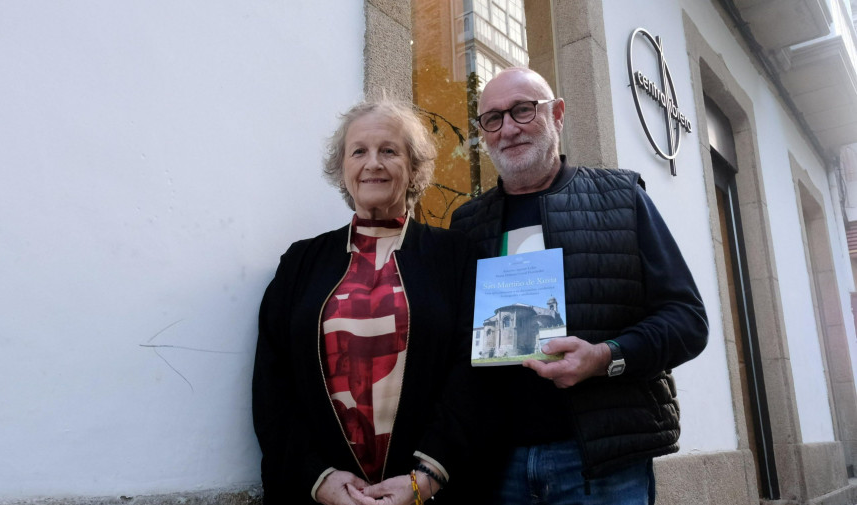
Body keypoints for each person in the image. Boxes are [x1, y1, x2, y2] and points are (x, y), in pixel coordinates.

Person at [449, 67, 709, 505]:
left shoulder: (622, 197)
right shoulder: (466, 224)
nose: (508, 128)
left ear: (558, 115)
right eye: (492, 119)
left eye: (522, 110)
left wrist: (605, 357)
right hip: (496, 465)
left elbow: (687, 320)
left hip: (602, 467)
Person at [252, 98, 477, 505]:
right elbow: (272, 383)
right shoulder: (301, 262)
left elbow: (473, 373)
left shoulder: (455, 257)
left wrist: (425, 478)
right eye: (359, 151)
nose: (373, 162)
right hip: (323, 494)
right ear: (343, 169)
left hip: (430, 492)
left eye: (389, 151)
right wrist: (318, 479)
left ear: (413, 169)